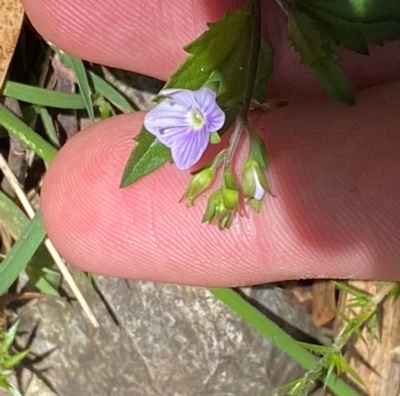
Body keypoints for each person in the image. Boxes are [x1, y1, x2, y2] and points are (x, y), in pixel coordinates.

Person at [22, 0, 400, 286]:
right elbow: (176, 121)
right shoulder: (207, 121)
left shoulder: (209, 116)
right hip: (205, 111)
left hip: (206, 108)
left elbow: (194, 118)